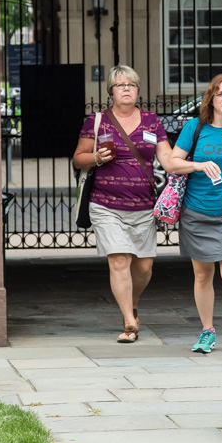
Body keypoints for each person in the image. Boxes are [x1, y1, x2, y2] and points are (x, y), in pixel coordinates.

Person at [73, 65, 172, 344]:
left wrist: (194, 165)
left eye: (131, 84)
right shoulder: (97, 121)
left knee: (143, 268)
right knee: (119, 260)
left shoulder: (152, 121)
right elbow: (78, 158)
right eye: (120, 85)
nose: (126, 89)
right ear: (111, 91)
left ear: (138, 90)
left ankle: (133, 302)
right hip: (105, 203)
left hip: (143, 205)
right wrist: (96, 158)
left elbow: (167, 159)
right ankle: (130, 323)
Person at [166, 74, 222, 357]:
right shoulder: (195, 127)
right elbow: (172, 162)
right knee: (203, 274)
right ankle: (207, 331)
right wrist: (198, 164)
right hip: (197, 212)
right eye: (220, 94)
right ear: (211, 99)